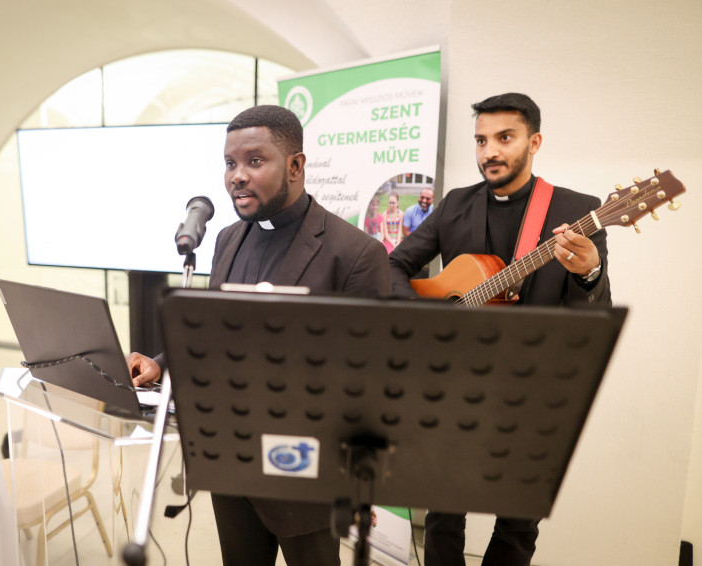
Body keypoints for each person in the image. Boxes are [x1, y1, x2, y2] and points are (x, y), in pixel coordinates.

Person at [128, 104, 391, 566]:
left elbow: (368, 380)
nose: (237, 176)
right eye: (230, 163)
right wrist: (160, 364)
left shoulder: (354, 254)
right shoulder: (228, 239)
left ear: (295, 166)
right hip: (230, 461)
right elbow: (217, 335)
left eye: (254, 161)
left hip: (304, 475)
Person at [389, 93, 611, 566]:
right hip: (453, 385)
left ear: (534, 142)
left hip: (532, 391)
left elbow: (593, 316)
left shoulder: (577, 211)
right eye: (481, 140)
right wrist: (426, 319)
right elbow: (393, 266)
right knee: (443, 510)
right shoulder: (455, 204)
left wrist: (589, 272)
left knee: (518, 522)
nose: (489, 151)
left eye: (504, 138)